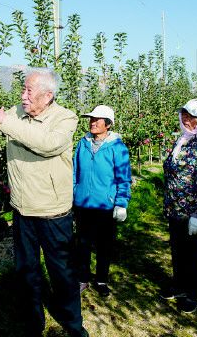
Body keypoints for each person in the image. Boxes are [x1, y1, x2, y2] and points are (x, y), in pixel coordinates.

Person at [0, 68, 88, 337]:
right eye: (22, 90)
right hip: (22, 208)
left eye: (28, 92)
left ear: (47, 95)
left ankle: (72, 324)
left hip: (53, 212)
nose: (23, 96)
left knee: (62, 273)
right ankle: (33, 322)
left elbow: (47, 144)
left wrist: (6, 121)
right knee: (27, 271)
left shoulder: (65, 118)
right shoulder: (18, 113)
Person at [161, 98, 197, 313]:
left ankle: (194, 293)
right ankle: (179, 285)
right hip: (175, 208)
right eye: (184, 114)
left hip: (191, 211)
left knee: (193, 253)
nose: (185, 118)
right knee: (177, 249)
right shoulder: (182, 140)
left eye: (191, 116)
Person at [73, 105, 131, 297]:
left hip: (105, 205)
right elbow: (75, 171)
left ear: (107, 124)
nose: (93, 122)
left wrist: (121, 202)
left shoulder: (117, 148)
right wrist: (74, 192)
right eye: (91, 119)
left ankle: (101, 280)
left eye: (97, 120)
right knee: (82, 244)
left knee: (104, 245)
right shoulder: (83, 143)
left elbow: (124, 177)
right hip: (83, 204)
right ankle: (82, 279)